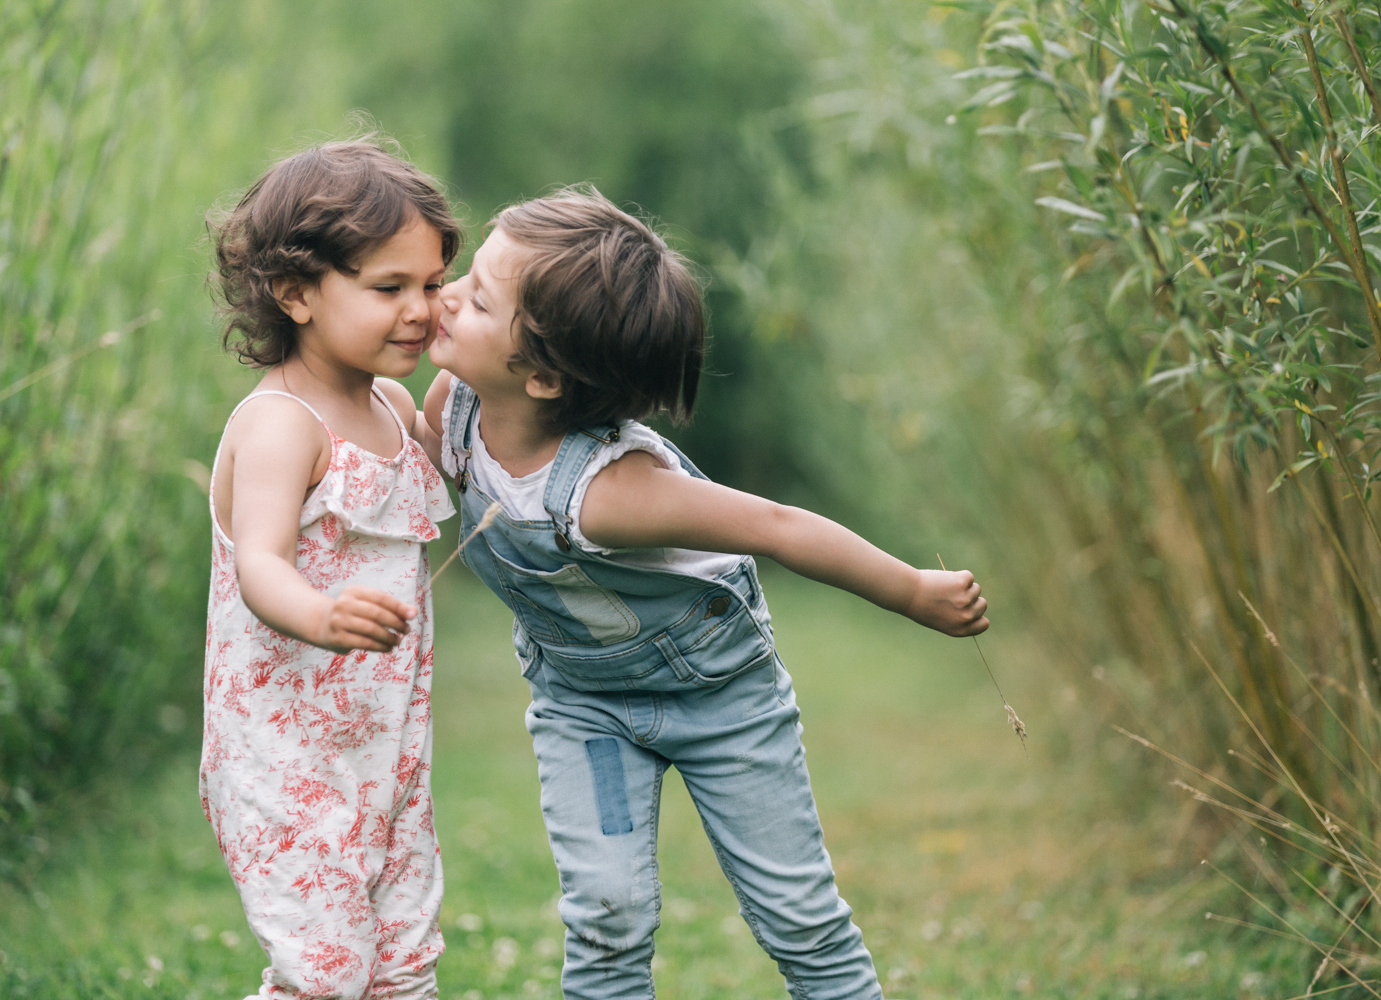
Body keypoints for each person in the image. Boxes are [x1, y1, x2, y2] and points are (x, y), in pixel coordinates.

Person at [417, 187, 989, 1000]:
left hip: (723, 704)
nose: (445, 299)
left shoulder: (612, 493)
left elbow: (779, 526)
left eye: (475, 299)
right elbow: (407, 471)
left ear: (542, 376)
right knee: (604, 914)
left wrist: (913, 592)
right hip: (586, 705)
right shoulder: (455, 405)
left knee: (798, 916)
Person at [200, 139, 461, 1000]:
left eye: (431, 284)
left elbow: (458, 471)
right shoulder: (281, 424)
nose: (420, 309)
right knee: (326, 969)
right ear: (296, 292)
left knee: (403, 959)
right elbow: (261, 564)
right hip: (284, 755)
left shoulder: (389, 406)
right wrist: (317, 615)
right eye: (389, 288)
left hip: (383, 751)